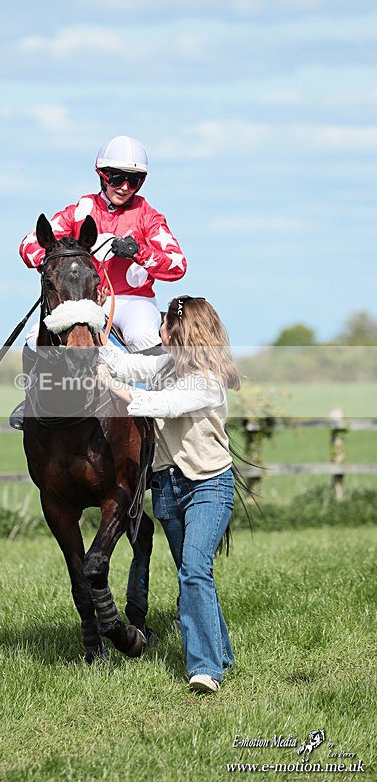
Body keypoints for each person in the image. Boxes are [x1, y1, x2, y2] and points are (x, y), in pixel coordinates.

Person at [97, 296, 240, 693]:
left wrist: (113, 387)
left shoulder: (206, 380)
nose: (157, 328)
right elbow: (126, 363)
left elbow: (160, 403)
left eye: (164, 324)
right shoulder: (166, 363)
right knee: (194, 576)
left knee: (194, 571)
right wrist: (90, 321)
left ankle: (205, 669)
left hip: (208, 486)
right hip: (168, 488)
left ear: (178, 333)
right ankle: (222, 651)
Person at [19, 135, 187, 353]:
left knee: (141, 335)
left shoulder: (148, 216)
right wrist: (55, 263)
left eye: (133, 180)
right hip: (83, 301)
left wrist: (138, 251)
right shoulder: (81, 210)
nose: (125, 187)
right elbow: (28, 244)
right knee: (34, 339)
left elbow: (178, 265)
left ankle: (153, 387)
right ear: (103, 176)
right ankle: (37, 385)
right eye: (117, 178)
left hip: (133, 302)